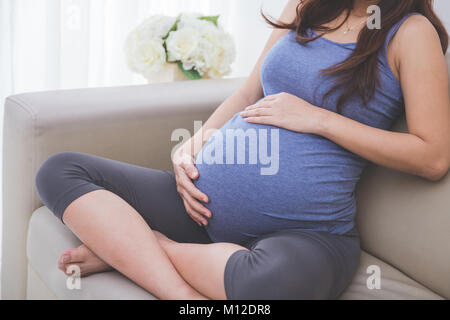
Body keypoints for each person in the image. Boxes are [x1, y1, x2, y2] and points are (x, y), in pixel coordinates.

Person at [35, 0, 450, 300]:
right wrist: (193, 146)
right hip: (198, 208)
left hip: (306, 234)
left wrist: (319, 118)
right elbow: (249, 91)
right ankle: (179, 291)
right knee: (59, 170)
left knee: (268, 286)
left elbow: (432, 156)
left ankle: (142, 247)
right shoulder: (307, 6)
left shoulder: (411, 33)